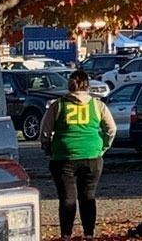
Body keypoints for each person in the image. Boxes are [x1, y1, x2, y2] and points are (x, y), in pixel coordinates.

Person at [41, 69, 115, 237]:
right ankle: (89, 234)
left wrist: (48, 147)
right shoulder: (97, 105)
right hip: (92, 156)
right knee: (88, 196)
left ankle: (66, 234)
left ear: (70, 86)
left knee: (67, 198)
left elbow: (45, 131)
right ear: (87, 86)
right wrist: (103, 147)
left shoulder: (58, 105)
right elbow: (111, 129)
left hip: (63, 157)